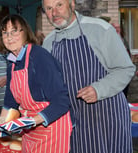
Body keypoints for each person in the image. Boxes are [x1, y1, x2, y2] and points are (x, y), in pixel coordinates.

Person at [41, 0, 136, 152]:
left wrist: (98, 89)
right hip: (72, 124)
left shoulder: (100, 29)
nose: (54, 13)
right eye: (49, 8)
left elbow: (125, 68)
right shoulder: (48, 42)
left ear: (72, 4)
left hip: (107, 119)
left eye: (59, 5)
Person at [0, 14, 72, 153]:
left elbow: (62, 102)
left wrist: (31, 121)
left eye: (14, 31)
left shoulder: (39, 56)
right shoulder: (12, 62)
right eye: (5, 33)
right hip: (30, 131)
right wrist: (1, 122)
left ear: (25, 32)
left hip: (52, 127)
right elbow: (9, 102)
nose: (9, 37)